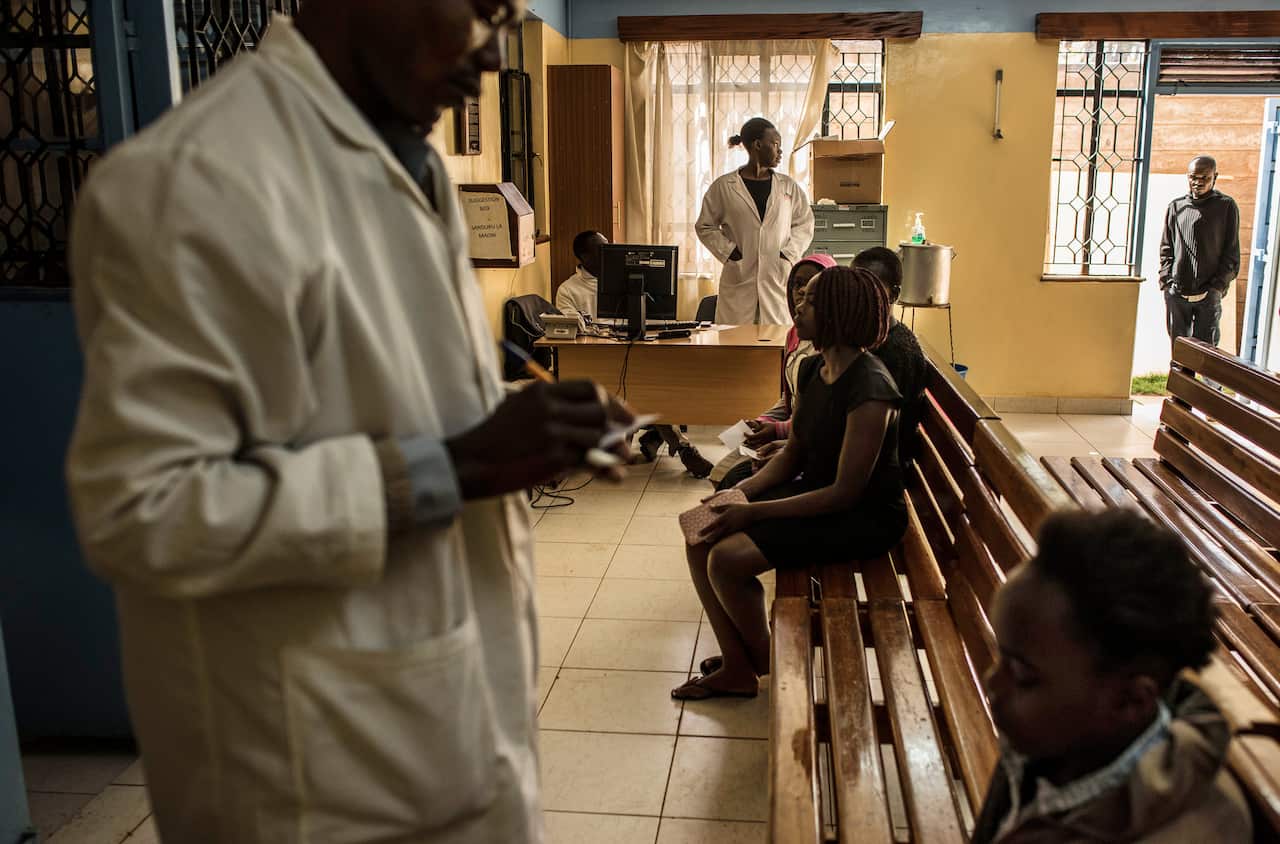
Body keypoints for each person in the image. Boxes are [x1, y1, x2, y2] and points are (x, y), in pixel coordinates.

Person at [64, 3, 634, 841]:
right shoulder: (193, 180)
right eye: (477, 8)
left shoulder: (409, 158)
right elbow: (140, 510)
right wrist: (454, 466)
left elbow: (389, 397)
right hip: (309, 775)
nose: (492, 49)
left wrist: (522, 431)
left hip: (448, 727)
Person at [673, 267, 907, 699]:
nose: (798, 305)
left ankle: (765, 659)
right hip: (818, 493)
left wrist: (752, 511)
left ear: (838, 313)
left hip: (861, 516)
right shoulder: (815, 369)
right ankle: (737, 663)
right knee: (700, 534)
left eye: (812, 301)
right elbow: (792, 456)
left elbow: (845, 493)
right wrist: (740, 493)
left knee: (726, 559)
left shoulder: (872, 390)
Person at [975, 509, 1251, 842]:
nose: (992, 681)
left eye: (1021, 674)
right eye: (1001, 658)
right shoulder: (1053, 745)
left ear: (1130, 701)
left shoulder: (1191, 832)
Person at [556, 230, 714, 477]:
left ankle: (665, 442)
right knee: (641, 392)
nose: (609, 253)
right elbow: (572, 327)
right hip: (597, 363)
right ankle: (680, 446)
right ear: (584, 256)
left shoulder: (630, 279)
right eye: (601, 249)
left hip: (634, 353)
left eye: (609, 246)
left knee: (648, 388)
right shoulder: (568, 290)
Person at [716, 253, 836, 491]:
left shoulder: (832, 351)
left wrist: (778, 431)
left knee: (730, 478)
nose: (800, 292)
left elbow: (821, 417)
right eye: (796, 284)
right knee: (725, 459)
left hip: (805, 442)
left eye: (810, 288)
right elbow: (789, 397)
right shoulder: (795, 334)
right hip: (792, 433)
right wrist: (762, 422)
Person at [695, 117, 815, 326]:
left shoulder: (788, 187)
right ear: (758, 145)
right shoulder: (724, 186)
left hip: (776, 277)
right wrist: (729, 251)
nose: (780, 151)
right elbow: (704, 225)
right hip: (739, 278)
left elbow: (804, 224)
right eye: (775, 144)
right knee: (735, 343)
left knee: (776, 343)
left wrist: (787, 254)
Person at [852, 247, 928, 466]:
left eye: (870, 287)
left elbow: (876, 444)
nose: (859, 295)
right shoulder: (873, 339)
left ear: (894, 294)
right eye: (855, 285)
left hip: (878, 472)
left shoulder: (894, 353)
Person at [1159, 155, 1240, 349]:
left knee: (1206, 355)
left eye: (1204, 177)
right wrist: (1166, 283)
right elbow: (1166, 249)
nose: (1197, 182)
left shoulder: (1226, 206)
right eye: (1193, 177)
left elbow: (1231, 253)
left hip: (1208, 296)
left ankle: (1206, 382)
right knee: (1179, 353)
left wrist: (1217, 288)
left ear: (1215, 177)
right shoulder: (1176, 207)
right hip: (1177, 294)